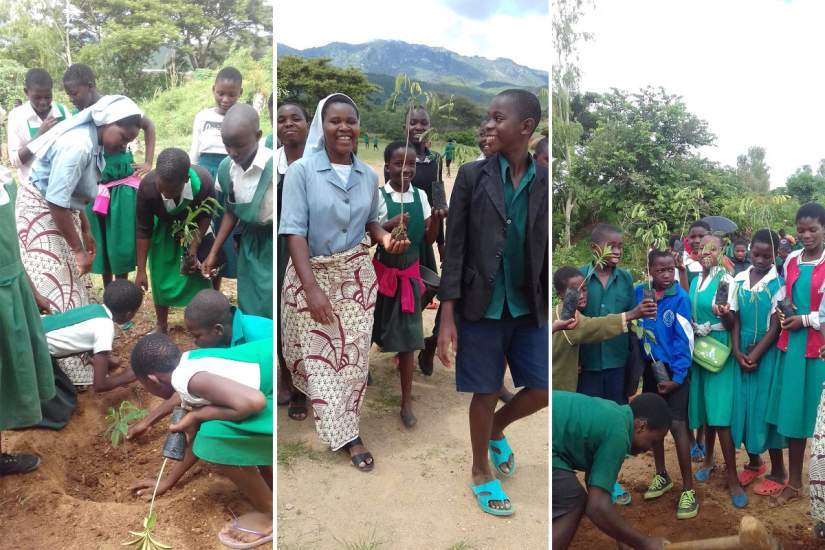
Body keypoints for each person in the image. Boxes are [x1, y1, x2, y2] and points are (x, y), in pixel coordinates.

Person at [279, 93, 410, 471]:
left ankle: (348, 431)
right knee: (319, 358)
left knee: (351, 361)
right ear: (322, 125)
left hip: (355, 278)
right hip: (312, 275)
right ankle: (337, 424)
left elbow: (372, 222)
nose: (344, 128)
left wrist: (386, 239)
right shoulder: (302, 171)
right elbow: (294, 233)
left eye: (350, 121)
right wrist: (311, 289)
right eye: (335, 121)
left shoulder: (367, 175)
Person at [437, 89, 548, 515]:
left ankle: (497, 429)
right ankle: (481, 469)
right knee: (484, 390)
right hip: (480, 305)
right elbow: (456, 247)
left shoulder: (543, 180)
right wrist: (447, 313)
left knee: (540, 390)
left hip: (527, 306)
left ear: (525, 127)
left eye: (498, 118)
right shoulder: (471, 175)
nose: (489, 124)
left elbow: (541, 247)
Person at [18, 95, 142, 385]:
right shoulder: (78, 146)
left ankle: (86, 356)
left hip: (61, 209)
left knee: (75, 289)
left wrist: (85, 227)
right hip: (42, 211)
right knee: (58, 287)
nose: (123, 147)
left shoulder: (96, 142)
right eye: (123, 137)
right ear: (105, 122)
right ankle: (70, 376)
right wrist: (78, 250)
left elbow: (74, 194)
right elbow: (55, 201)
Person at [130, 334, 273, 548]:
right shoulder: (188, 362)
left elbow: (254, 401)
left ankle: (268, 512)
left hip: (265, 395)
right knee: (211, 429)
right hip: (266, 375)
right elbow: (187, 403)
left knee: (214, 438)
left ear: (152, 380)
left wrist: (197, 416)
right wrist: (168, 481)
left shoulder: (185, 379)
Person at [129, 289, 272, 499]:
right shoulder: (198, 356)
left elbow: (249, 401)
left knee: (214, 433)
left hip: (271, 392)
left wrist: (197, 416)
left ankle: (267, 509)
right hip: (255, 391)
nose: (194, 342)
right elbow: (194, 391)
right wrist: (148, 422)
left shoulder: (258, 336)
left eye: (196, 336)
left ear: (218, 330)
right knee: (215, 421)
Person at [62, 63, 158, 287]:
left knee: (120, 241)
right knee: (101, 242)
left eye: (74, 93)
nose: (72, 99)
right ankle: (109, 294)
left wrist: (148, 162)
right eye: (68, 94)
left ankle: (121, 287)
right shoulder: (80, 116)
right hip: (95, 186)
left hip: (120, 185)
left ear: (90, 86)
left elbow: (149, 125)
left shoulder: (117, 107)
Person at [373, 141, 445, 428]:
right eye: (398, 164)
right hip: (383, 274)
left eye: (412, 165)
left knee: (409, 336)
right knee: (373, 327)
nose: (406, 170)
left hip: (410, 273)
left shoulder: (421, 196)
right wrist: (391, 223)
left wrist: (438, 221)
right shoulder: (379, 196)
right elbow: (371, 236)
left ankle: (406, 400)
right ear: (387, 166)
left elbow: (426, 239)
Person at [552, 391, 670, 550]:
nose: (650, 448)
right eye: (653, 441)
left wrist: (624, 541)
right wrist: (644, 543)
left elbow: (595, 483)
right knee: (573, 502)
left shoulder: (616, 416)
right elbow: (596, 506)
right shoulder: (618, 434)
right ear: (641, 426)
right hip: (550, 446)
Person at [767, 202, 825, 505]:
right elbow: (785, 296)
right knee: (793, 415)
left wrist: (803, 319)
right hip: (792, 347)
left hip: (819, 349)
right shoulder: (791, 259)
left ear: (824, 230)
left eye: (812, 229)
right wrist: (780, 311)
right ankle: (796, 482)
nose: (806, 235)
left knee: (819, 419)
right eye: (801, 229)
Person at [0, 166, 55, 476]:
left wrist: (31, 290)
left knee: (9, 372)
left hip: (13, 288)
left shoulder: (5, 182)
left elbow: (14, 250)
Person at [634, 250, 698, 519]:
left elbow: (686, 340)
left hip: (675, 372)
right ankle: (661, 475)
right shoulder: (640, 293)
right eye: (661, 270)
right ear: (650, 270)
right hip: (652, 369)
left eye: (671, 269)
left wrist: (678, 378)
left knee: (677, 425)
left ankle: (689, 490)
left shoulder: (680, 298)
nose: (667, 275)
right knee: (654, 423)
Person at [688, 233, 747, 508]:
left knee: (720, 415)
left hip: (719, 350)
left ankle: (733, 477)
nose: (705, 253)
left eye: (711, 248)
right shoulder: (697, 280)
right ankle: (709, 461)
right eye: (701, 249)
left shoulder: (727, 279)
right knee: (707, 413)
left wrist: (723, 313)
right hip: (700, 350)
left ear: (721, 250)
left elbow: (734, 320)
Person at [202, 103, 273, 319]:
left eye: (239, 146)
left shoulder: (274, 166)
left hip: (275, 243)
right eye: (227, 145)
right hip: (248, 242)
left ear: (258, 136)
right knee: (249, 297)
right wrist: (214, 251)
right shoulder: (226, 168)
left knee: (271, 298)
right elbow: (231, 211)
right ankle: (252, 343)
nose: (233, 152)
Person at [730, 229, 787, 497]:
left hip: (767, 355)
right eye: (756, 254)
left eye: (767, 255)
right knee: (744, 409)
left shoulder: (779, 284)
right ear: (749, 251)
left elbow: (776, 326)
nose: (761, 260)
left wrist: (755, 355)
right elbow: (736, 317)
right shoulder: (739, 278)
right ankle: (755, 462)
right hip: (741, 354)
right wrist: (737, 351)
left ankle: (779, 470)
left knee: (765, 410)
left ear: (775, 255)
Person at [135, 147, 214, 334]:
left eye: (171, 191)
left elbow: (205, 216)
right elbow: (143, 229)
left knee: (196, 276)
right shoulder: (147, 187)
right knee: (160, 275)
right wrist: (140, 270)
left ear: (185, 180)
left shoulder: (203, 182)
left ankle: (200, 323)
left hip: (193, 228)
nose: (164, 194)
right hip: (163, 230)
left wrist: (193, 248)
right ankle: (161, 325)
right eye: (160, 188)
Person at [552, 266, 656, 393]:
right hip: (560, 388)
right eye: (575, 291)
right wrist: (631, 314)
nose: (581, 295)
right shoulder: (567, 316)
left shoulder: (558, 311)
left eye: (584, 289)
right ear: (560, 295)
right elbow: (595, 326)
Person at [190, 67, 243, 290]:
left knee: (223, 230)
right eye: (221, 93)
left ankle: (216, 285)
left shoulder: (242, 117)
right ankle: (196, 284)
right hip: (204, 178)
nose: (225, 99)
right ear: (213, 90)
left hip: (229, 178)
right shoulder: (203, 116)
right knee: (202, 229)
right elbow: (194, 151)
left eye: (231, 94)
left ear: (240, 93)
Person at [404, 107, 448, 376]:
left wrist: (441, 242)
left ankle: (416, 343)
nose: (418, 126)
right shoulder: (400, 152)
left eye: (424, 122)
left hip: (426, 236)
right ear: (405, 124)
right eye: (413, 122)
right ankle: (400, 342)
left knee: (427, 287)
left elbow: (437, 199)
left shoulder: (435, 159)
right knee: (400, 290)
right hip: (402, 234)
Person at [273, 100, 309, 418]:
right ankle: (290, 382)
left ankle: (310, 383)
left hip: (314, 249)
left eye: (295, 118)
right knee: (286, 317)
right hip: (280, 249)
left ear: (308, 124)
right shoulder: (273, 164)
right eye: (281, 119)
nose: (288, 124)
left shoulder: (317, 163)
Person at [43, 279, 142, 393]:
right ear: (129, 314)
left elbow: (85, 337)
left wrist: (105, 361)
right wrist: (125, 376)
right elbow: (100, 385)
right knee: (65, 396)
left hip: (35, 329)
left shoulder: (95, 308)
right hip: (33, 350)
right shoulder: (106, 327)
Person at [578, 223, 635, 404]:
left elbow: (632, 320)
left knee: (616, 410)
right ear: (595, 248)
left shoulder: (625, 278)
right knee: (588, 414)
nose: (617, 251)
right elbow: (568, 318)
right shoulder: (579, 278)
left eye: (620, 247)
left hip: (618, 361)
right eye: (612, 246)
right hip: (586, 363)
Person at [7, 68, 68, 187]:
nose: (43, 102)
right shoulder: (17, 116)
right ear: (26, 92)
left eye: (48, 96)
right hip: (33, 191)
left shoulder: (62, 111)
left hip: (63, 187)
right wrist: (40, 135)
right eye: (37, 97)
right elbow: (15, 161)